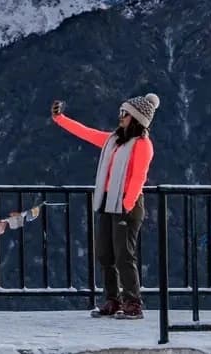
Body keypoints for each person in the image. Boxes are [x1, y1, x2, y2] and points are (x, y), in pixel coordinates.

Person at [53, 93, 159, 320]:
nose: (120, 117)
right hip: (108, 201)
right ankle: (113, 300)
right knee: (105, 253)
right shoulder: (114, 141)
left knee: (124, 255)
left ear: (137, 118)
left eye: (125, 114)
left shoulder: (142, 145)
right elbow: (86, 133)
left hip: (126, 204)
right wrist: (60, 119)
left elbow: (138, 177)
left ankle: (133, 303)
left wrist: (126, 205)